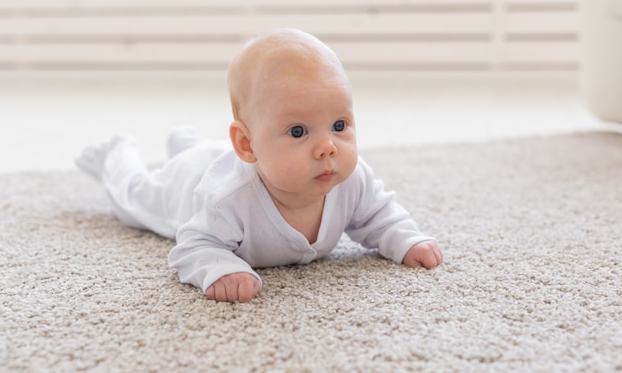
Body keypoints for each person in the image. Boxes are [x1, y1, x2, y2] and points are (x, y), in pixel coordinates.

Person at [75, 28, 443, 303]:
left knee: (214, 151)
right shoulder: (227, 201)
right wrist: (220, 268)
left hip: (230, 153)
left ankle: (185, 142)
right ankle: (117, 155)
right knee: (135, 200)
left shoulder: (350, 177)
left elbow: (381, 215)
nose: (328, 146)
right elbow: (193, 246)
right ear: (247, 145)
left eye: (339, 125)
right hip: (189, 180)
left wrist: (405, 239)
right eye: (299, 131)